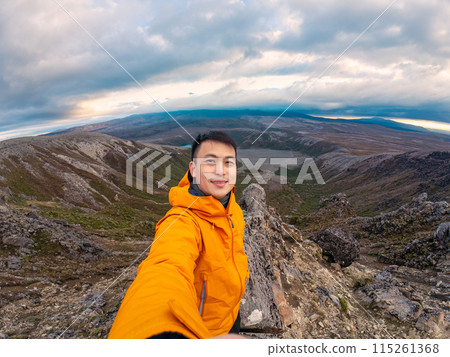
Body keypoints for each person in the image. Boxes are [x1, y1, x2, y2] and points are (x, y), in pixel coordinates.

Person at [108, 131, 249, 339]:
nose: (221, 171)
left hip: (231, 315)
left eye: (229, 163)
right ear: (193, 169)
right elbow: (165, 269)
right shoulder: (181, 221)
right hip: (203, 333)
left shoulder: (232, 207)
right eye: (210, 162)